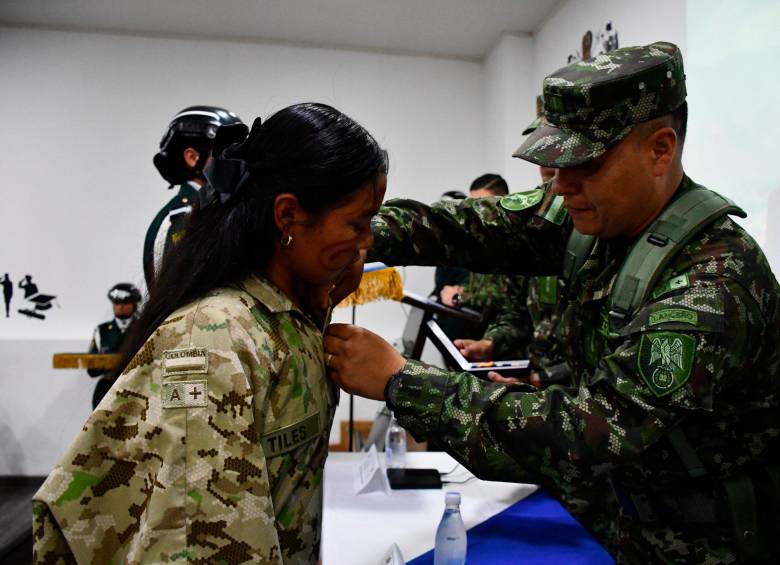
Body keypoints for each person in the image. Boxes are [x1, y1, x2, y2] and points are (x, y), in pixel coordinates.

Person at [324, 42, 780, 563]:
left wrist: (400, 381)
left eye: (585, 163)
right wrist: (359, 234)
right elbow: (472, 225)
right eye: (555, 163)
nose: (560, 186)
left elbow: (594, 431)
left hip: (703, 545)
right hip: (612, 520)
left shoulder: (714, 278)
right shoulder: (592, 216)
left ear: (660, 149)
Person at [32, 103, 387, 563]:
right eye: (357, 225)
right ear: (288, 217)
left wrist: (328, 281)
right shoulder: (210, 343)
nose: (368, 245)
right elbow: (203, 546)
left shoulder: (290, 317)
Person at [144, 105, 243, 288]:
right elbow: (174, 295)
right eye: (225, 151)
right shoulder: (179, 219)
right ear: (192, 157)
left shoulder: (227, 208)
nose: (235, 160)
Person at [87, 282, 141, 409]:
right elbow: (91, 368)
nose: (120, 307)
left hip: (136, 386)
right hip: (107, 386)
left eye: (125, 303)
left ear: (134, 304)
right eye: (117, 303)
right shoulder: (102, 331)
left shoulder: (143, 328)